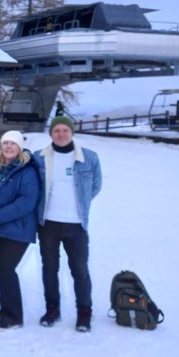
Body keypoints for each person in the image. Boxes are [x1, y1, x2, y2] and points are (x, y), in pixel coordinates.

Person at [33, 116, 102, 332]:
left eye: (65, 130)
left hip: (76, 226)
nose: (61, 134)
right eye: (57, 131)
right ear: (51, 133)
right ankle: (52, 308)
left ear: (72, 133)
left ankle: (84, 312)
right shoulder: (39, 157)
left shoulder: (89, 158)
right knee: (49, 268)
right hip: (49, 224)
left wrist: (79, 206)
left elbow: (96, 186)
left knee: (80, 270)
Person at [0, 131, 40, 330]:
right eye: (6, 143)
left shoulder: (27, 170)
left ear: (19, 147)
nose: (8, 147)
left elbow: (25, 203)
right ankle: (6, 308)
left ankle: (13, 316)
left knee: (6, 269)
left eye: (13, 144)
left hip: (16, 230)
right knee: (2, 270)